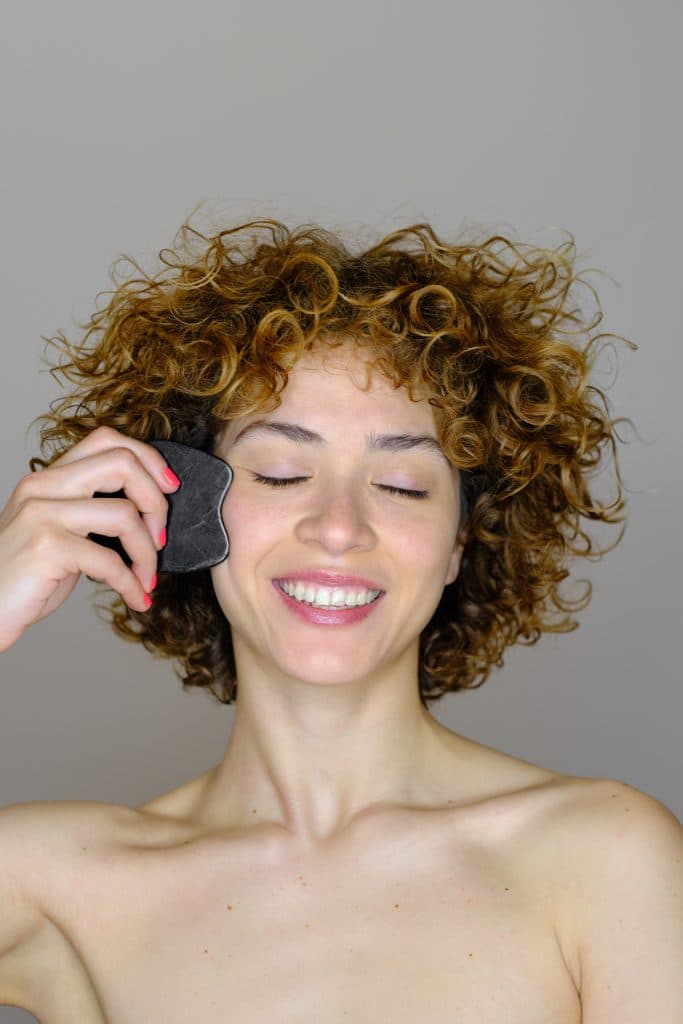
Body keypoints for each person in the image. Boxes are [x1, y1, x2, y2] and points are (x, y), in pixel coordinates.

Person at [0, 217, 680, 1022]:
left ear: (462, 540)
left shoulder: (606, 859)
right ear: (180, 513)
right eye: (282, 472)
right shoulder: (51, 882)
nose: (337, 527)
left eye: (401, 485)